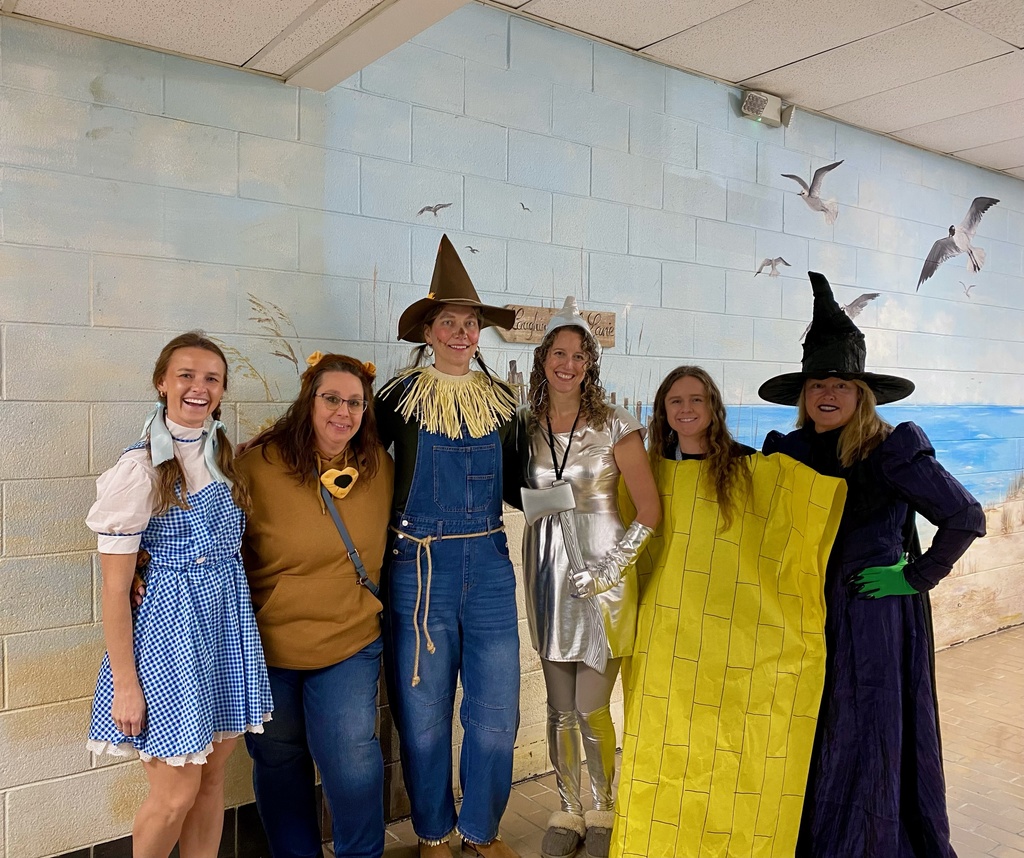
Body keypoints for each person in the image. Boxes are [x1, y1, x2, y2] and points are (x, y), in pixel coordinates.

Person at [759, 271, 986, 858]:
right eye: (816, 385)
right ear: (803, 395)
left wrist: (913, 576)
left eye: (840, 384)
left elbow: (964, 516)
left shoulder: (891, 449)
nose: (827, 394)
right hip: (810, 622)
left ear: (863, 393)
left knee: (869, 738)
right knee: (815, 732)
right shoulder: (792, 452)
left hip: (874, 623)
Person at [610, 366, 848, 858]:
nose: (687, 409)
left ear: (714, 407)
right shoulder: (649, 470)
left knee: (732, 746)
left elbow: (797, 518)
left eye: (697, 399)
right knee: (661, 740)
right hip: (667, 633)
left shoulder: (750, 468)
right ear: (663, 411)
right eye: (675, 401)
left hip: (729, 636)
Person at [86, 331, 272, 858]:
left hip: (224, 632)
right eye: (186, 375)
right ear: (161, 383)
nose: (198, 387)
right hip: (169, 644)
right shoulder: (138, 469)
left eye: (211, 378)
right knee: (174, 794)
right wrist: (126, 684)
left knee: (211, 783)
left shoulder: (221, 452)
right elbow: (115, 588)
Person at [376, 235, 522, 858]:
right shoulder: (396, 399)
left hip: (488, 566)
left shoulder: (506, 404)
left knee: (496, 709)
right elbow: (347, 455)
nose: (461, 332)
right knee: (424, 709)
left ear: (479, 333)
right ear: (428, 332)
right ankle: (433, 833)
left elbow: (521, 486)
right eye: (449, 323)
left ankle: (481, 832)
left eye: (470, 323)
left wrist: (586, 496)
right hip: (419, 567)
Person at [236, 352, 394, 858]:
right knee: (279, 763)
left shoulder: (380, 467)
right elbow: (210, 538)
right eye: (331, 398)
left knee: (351, 762)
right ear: (308, 401)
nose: (343, 412)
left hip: (348, 642)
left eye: (355, 402)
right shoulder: (256, 465)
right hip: (270, 648)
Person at [519, 297, 660, 858]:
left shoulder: (616, 425)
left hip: (603, 569)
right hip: (545, 570)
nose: (568, 364)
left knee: (590, 705)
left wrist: (610, 568)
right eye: (559, 353)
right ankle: (568, 809)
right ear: (543, 358)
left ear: (591, 363)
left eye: (579, 355)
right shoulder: (526, 426)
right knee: (557, 707)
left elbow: (649, 508)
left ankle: (603, 809)